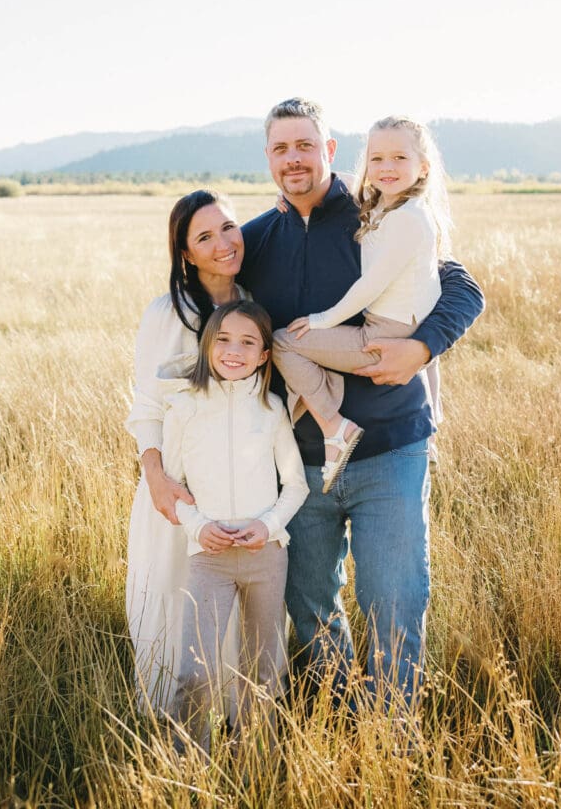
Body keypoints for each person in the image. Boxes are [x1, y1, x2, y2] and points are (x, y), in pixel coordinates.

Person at [239, 97, 484, 705]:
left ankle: (394, 741)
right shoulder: (253, 242)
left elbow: (461, 287)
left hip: (390, 450)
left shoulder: (378, 210)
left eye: (306, 146)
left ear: (329, 151)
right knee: (311, 610)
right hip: (298, 464)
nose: (293, 159)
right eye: (280, 148)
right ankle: (340, 719)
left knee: (394, 602)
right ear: (267, 157)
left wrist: (422, 347)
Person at [273, 115, 449, 492]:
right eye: (377, 158)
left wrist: (322, 320)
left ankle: (335, 427)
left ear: (423, 168)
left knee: (284, 341)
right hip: (392, 325)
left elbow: (373, 286)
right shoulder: (382, 209)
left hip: (383, 336)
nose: (387, 168)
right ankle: (430, 423)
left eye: (400, 158)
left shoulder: (408, 219)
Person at [162, 301, 308, 752]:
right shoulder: (184, 406)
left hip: (266, 555)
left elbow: (297, 485)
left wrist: (269, 526)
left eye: (248, 343)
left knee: (263, 668)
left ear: (265, 355)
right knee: (195, 669)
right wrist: (197, 525)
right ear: (207, 345)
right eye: (223, 339)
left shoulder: (272, 408)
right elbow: (171, 487)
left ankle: (254, 758)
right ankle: (186, 762)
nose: (233, 351)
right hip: (210, 557)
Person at [124, 189, 249, 717]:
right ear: (185, 254)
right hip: (180, 479)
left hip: (245, 477)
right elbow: (146, 404)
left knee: (239, 600)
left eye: (228, 227)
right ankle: (171, 721)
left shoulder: (255, 301)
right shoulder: (169, 313)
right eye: (204, 236)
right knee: (177, 590)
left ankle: (235, 713)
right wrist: (155, 476)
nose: (222, 243)